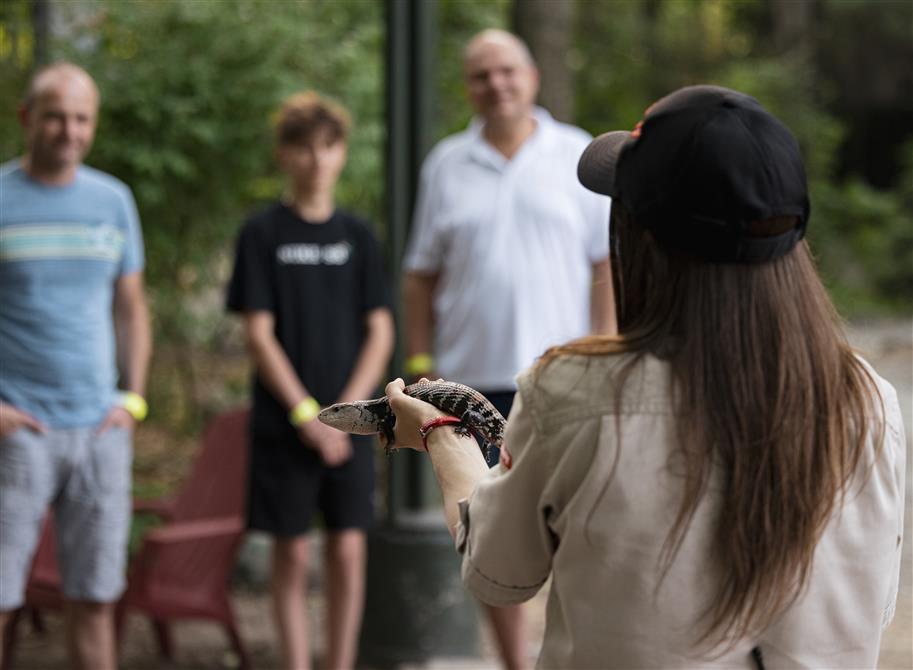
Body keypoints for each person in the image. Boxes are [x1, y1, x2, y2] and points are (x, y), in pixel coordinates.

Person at [382, 85, 906, 668]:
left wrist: (442, 432)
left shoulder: (573, 392)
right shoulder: (869, 403)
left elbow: (495, 569)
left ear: (643, 237)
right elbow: (864, 603)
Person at [401, 29, 615, 668]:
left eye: (506, 72)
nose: (496, 85)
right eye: (480, 75)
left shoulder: (575, 154)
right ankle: (514, 663)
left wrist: (606, 350)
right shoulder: (445, 163)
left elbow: (607, 264)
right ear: (467, 86)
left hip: (565, 380)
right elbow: (419, 274)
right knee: (486, 536)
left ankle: (570, 654)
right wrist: (419, 366)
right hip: (470, 382)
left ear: (531, 76)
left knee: (579, 529)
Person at [226, 91, 394, 670]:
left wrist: (343, 417)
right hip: (284, 425)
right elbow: (258, 334)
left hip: (349, 428)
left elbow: (380, 330)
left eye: (328, 147)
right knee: (292, 554)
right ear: (284, 155)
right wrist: (305, 415)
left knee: (348, 550)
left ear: (342, 154)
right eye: (303, 148)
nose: (317, 160)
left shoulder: (359, 235)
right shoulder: (262, 234)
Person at [0, 62, 152, 669]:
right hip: (18, 431)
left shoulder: (113, 201)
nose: (69, 130)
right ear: (26, 118)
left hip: (100, 431)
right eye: (56, 116)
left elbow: (132, 308)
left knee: (93, 601)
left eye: (81, 118)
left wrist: (132, 400)